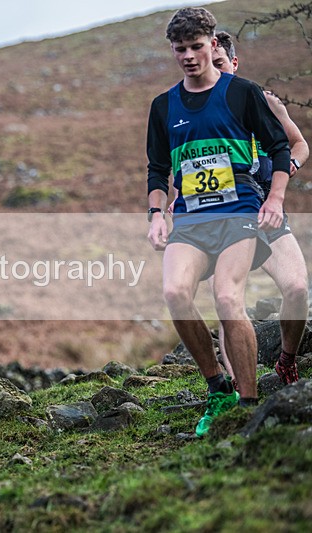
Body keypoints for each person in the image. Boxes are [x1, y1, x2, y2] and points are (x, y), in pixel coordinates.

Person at [146, 8, 291, 437]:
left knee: (228, 298)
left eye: (196, 47)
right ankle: (218, 388)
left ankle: (247, 407)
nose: (189, 56)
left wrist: (276, 198)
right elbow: (157, 170)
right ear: (172, 51)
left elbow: (280, 148)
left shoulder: (242, 93)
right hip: (190, 218)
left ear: (213, 45)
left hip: (239, 212)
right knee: (174, 292)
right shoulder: (163, 106)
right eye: (180, 49)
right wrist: (156, 214)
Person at [210, 31, 309, 387]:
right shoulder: (200, 109)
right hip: (226, 218)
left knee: (297, 289)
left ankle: (286, 360)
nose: (215, 72)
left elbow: (299, 145)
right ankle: (239, 389)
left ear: (234, 63)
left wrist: (287, 168)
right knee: (228, 303)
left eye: (220, 63)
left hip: (269, 215)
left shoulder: (264, 103)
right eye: (209, 64)